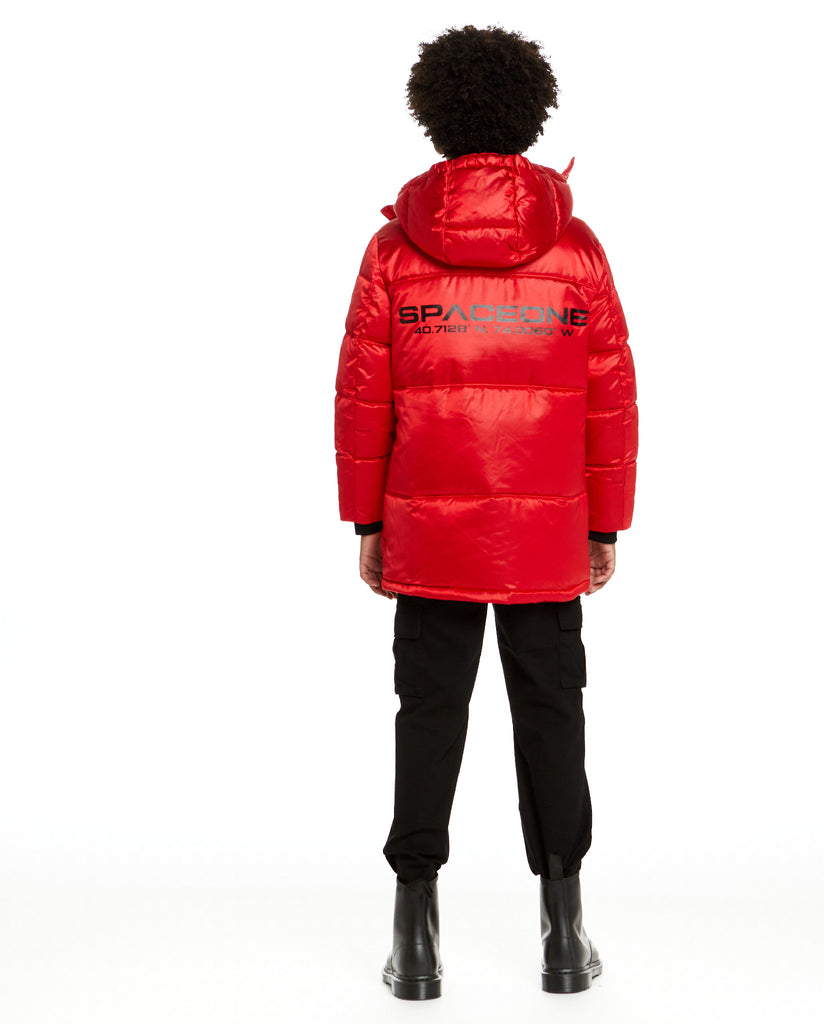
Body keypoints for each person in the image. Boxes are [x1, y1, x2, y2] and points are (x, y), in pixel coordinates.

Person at [334, 24, 638, 999]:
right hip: (546, 535)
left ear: (434, 117)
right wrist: (604, 525)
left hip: (428, 531)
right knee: (552, 713)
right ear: (529, 114)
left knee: (428, 714)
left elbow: (361, 397)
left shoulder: (393, 252)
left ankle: (414, 935)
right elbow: (610, 398)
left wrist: (367, 522)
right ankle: (565, 931)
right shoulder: (576, 252)